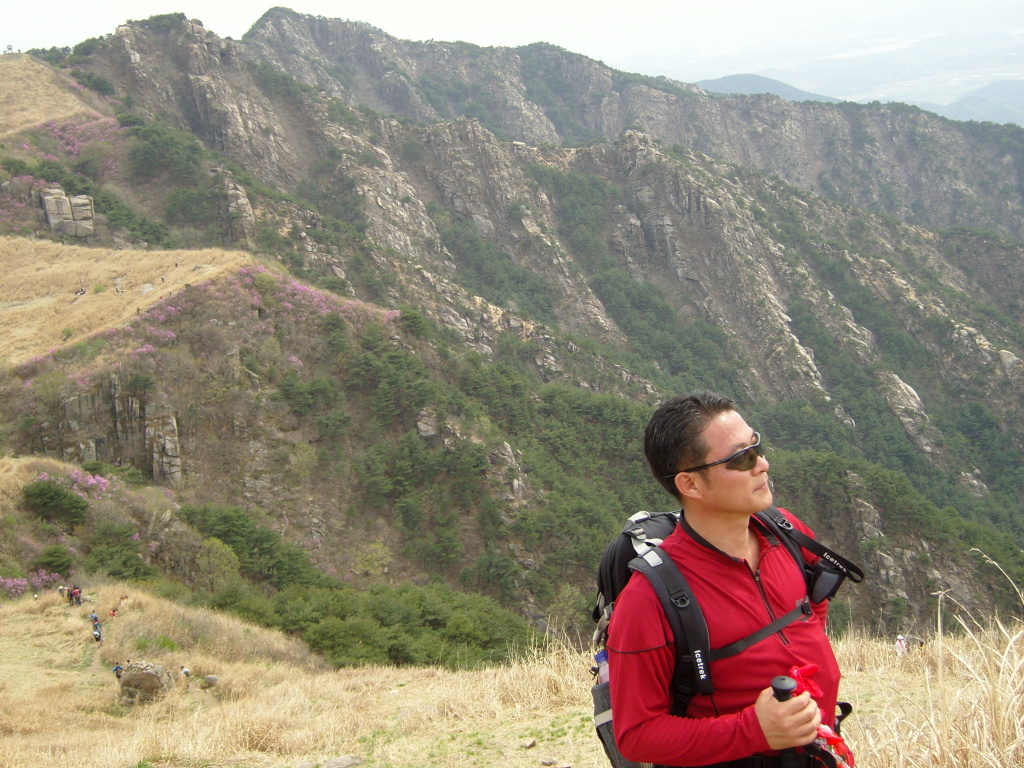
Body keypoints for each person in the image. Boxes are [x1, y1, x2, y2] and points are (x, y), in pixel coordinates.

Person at [607, 391, 843, 768]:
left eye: (757, 447)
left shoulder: (786, 531)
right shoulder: (650, 597)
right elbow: (636, 735)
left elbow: (816, 595)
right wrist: (755, 729)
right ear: (691, 485)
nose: (762, 464)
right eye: (741, 458)